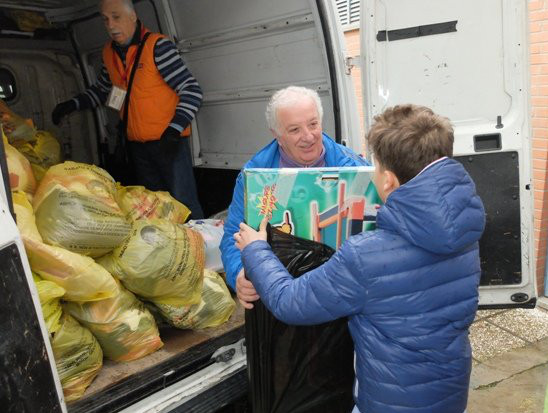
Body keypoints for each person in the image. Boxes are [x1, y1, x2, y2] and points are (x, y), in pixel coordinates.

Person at [235, 104, 485, 413]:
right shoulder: (463, 230)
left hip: (389, 402)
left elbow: (290, 302)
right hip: (449, 389)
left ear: (389, 181)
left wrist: (256, 249)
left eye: (375, 166)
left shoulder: (366, 256)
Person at [51, 0, 204, 219]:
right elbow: (103, 90)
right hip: (139, 147)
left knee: (184, 204)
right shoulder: (109, 54)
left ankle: (203, 246)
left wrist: (173, 130)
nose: (111, 25)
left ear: (133, 17)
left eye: (116, 17)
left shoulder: (157, 47)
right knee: (153, 206)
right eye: (105, 19)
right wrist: (71, 105)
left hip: (169, 143)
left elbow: (192, 90)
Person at [219, 85, 368, 308]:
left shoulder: (356, 169)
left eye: (313, 124)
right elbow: (234, 235)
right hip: (281, 290)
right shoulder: (256, 176)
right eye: (295, 130)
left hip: (344, 291)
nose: (308, 136)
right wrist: (239, 274)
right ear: (278, 136)